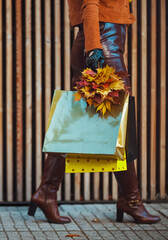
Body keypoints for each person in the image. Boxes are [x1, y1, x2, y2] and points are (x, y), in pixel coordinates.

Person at [28, 0, 161, 224]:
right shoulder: (98, 45)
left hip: (103, 40)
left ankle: (47, 192)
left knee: (80, 121)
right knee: (119, 122)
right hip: (102, 42)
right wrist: (94, 49)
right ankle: (130, 201)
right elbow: (90, 3)